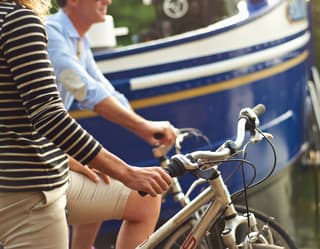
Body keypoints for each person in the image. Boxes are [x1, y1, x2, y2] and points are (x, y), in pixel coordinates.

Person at [0, 1, 173, 249]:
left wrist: (72, 156)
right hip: (29, 185)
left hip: (30, 169)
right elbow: (50, 113)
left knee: (141, 198)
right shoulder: (20, 22)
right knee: (117, 178)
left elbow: (102, 87)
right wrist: (126, 172)